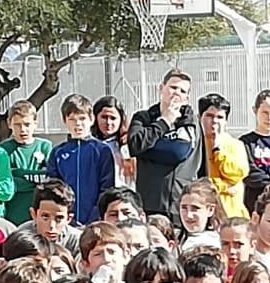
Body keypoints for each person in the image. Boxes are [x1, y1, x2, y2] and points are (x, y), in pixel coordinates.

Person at [122, 71, 200, 221]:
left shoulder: (190, 122)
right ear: (161, 88)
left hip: (180, 205)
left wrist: (147, 148)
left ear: (187, 98)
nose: (176, 93)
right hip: (149, 203)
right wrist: (164, 121)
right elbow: (135, 145)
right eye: (173, 87)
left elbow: (178, 152)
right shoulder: (143, 118)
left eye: (182, 91)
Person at [47, 95, 116, 226]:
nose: (77, 124)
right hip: (66, 221)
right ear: (65, 121)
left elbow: (107, 187)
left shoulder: (101, 150)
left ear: (91, 119)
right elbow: (54, 188)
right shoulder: (58, 153)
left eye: (82, 119)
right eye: (72, 119)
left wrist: (95, 215)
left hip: (94, 221)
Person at [195, 92, 249, 218]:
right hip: (202, 214)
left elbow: (236, 174)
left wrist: (218, 150)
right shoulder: (194, 144)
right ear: (199, 117)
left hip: (231, 215)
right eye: (209, 116)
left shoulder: (235, 145)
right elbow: (198, 184)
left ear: (226, 121)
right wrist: (224, 186)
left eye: (219, 117)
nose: (214, 121)